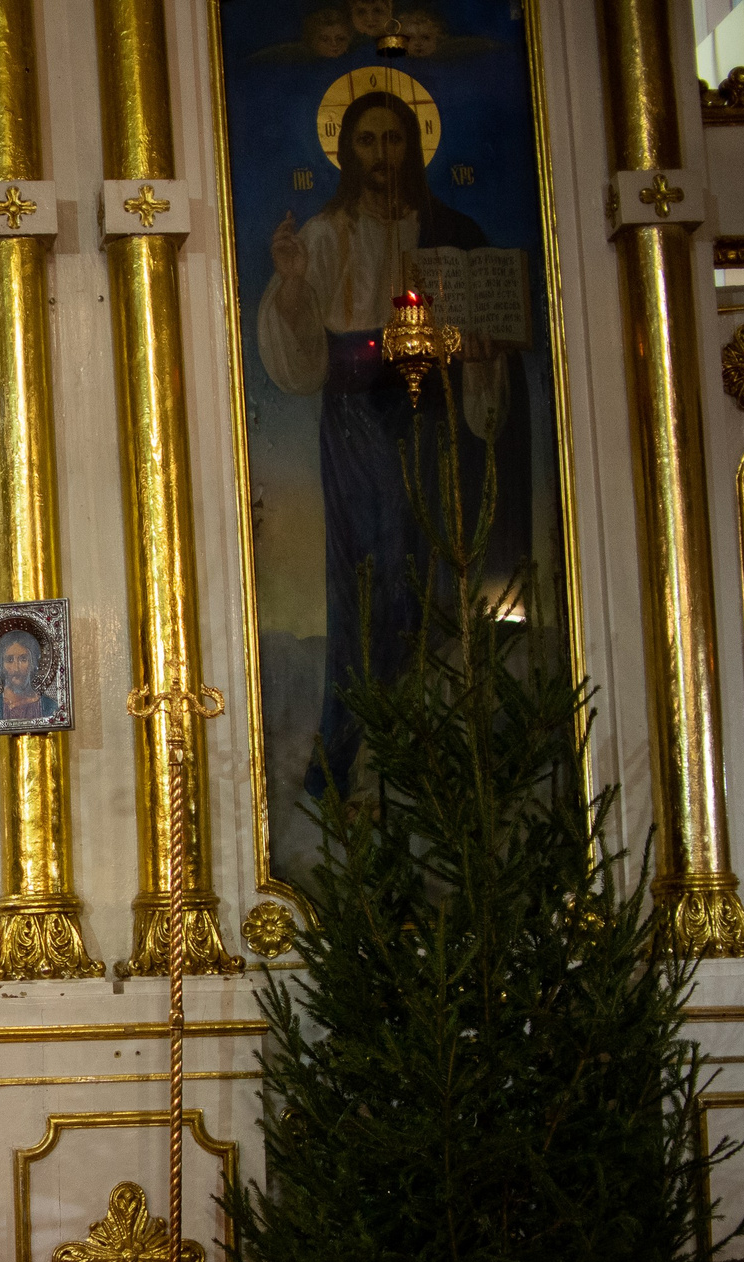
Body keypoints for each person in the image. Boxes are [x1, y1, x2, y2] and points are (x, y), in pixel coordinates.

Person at [255, 88, 523, 797]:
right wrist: (288, 288)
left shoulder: (451, 232)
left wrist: (481, 350)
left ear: (413, 146)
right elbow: (297, 352)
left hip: (429, 417)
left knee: (422, 567)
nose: (382, 157)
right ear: (348, 150)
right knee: (359, 573)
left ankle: (422, 749)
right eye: (368, 142)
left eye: (394, 140)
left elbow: (487, 338)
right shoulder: (320, 235)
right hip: (351, 418)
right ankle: (343, 743)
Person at [0, 625, 57, 723]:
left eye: (23, 659)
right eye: (10, 660)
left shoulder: (50, 708)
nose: (16, 668)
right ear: (1, 665)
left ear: (33, 663)